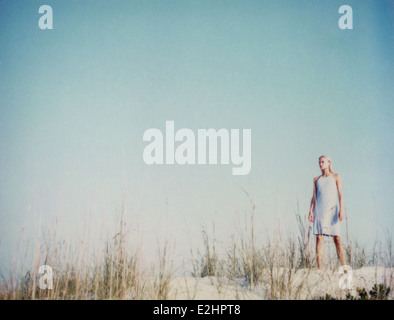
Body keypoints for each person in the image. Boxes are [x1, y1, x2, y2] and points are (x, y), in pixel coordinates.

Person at [308, 155, 347, 270]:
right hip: (319, 211)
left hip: (332, 211)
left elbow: (340, 194)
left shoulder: (336, 177)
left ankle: (344, 267)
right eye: (319, 162)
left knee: (337, 239)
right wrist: (310, 211)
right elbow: (314, 197)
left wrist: (341, 209)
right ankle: (320, 269)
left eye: (323, 162)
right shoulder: (316, 180)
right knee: (319, 239)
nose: (320, 164)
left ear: (329, 163)